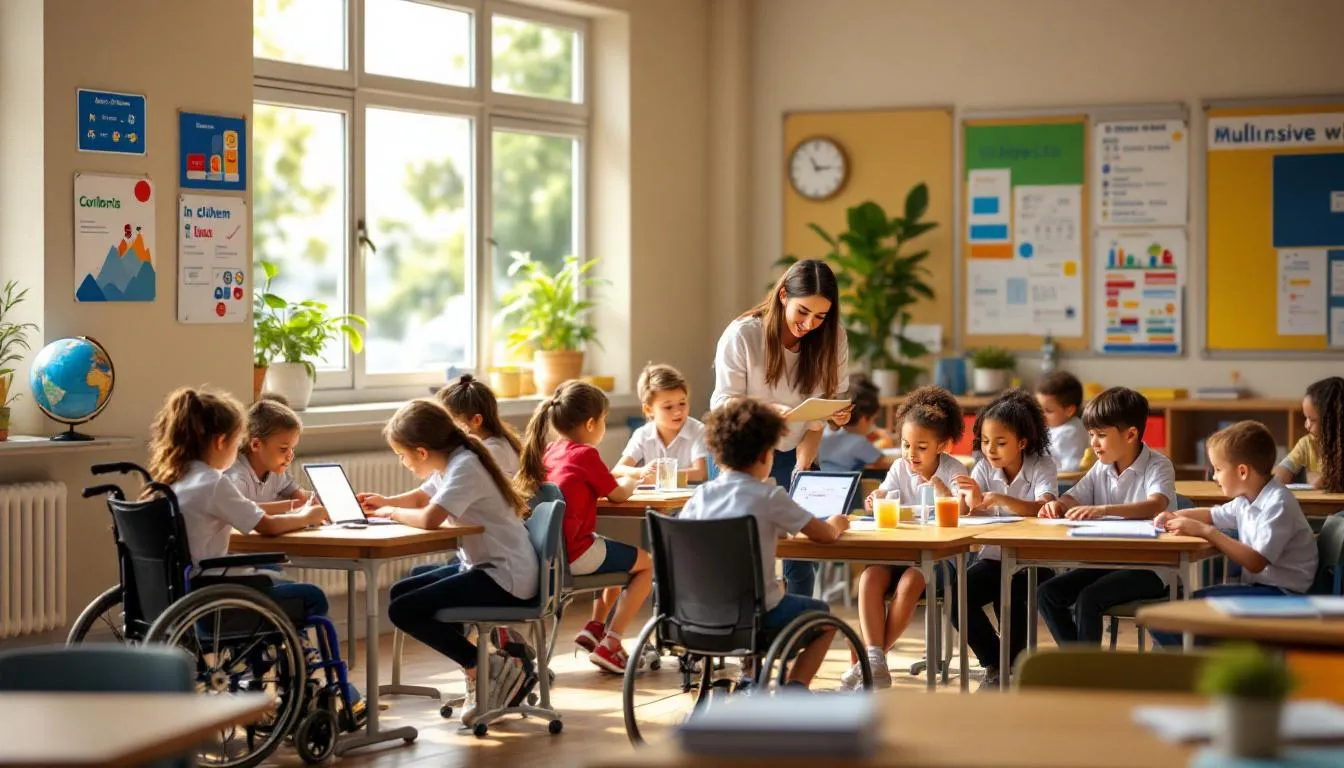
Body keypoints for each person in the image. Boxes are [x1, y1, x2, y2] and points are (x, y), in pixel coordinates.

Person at [147, 388, 364, 720]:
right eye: (237, 443)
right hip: (215, 599)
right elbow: (267, 527)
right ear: (221, 442)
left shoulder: (170, 478)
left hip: (179, 596)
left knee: (271, 582)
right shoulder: (213, 483)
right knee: (309, 597)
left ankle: (265, 684)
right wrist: (308, 516)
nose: (238, 451)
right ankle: (311, 689)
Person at [359, 399, 538, 726]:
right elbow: (421, 498)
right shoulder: (455, 461)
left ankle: (484, 667)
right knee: (401, 592)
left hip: (505, 577)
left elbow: (429, 517)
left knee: (403, 610)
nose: (403, 463)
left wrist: (390, 513)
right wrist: (383, 502)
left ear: (421, 452)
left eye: (402, 456)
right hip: (488, 568)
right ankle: (482, 671)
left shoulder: (465, 466)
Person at [679, 397, 849, 689]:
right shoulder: (769, 497)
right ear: (765, 456)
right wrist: (838, 522)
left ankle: (753, 677)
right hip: (755, 616)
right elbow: (823, 534)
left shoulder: (700, 497)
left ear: (718, 455)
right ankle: (795, 689)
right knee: (823, 618)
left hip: (696, 615)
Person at [711, 259, 851, 597]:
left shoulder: (832, 338)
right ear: (783, 295)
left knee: (803, 560)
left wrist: (809, 457)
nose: (809, 324)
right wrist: (768, 411)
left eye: (820, 317)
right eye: (803, 312)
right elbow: (723, 405)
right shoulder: (744, 334)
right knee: (735, 548)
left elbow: (821, 409)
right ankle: (736, 622)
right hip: (745, 452)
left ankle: (796, 631)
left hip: (798, 449)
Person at [515, 380, 653, 674]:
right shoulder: (585, 455)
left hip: (547, 554)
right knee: (646, 564)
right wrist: (632, 480)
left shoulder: (549, 451)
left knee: (617, 553)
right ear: (591, 423)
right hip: (575, 554)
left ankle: (594, 627)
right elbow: (618, 494)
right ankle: (612, 643)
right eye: (604, 421)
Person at [1149, 421, 1318, 647]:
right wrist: (1173, 514)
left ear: (1242, 471)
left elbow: (1256, 561)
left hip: (1284, 596)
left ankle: (1204, 668)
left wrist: (1206, 532)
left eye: (1218, 469)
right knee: (1174, 612)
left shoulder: (1278, 504)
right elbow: (1212, 514)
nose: (1214, 477)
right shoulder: (1246, 499)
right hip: (1262, 590)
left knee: (1173, 618)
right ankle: (1204, 666)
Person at [841, 386, 965, 689]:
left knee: (910, 582)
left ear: (942, 446)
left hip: (938, 560)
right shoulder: (899, 466)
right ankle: (875, 660)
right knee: (869, 578)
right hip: (898, 553)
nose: (912, 454)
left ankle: (871, 661)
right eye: (907, 445)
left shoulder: (953, 469)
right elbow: (886, 492)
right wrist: (877, 498)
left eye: (921, 447)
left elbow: (962, 513)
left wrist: (942, 491)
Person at [1035, 387, 1177, 645]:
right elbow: (1073, 497)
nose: (1093, 443)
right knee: (1047, 593)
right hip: (1109, 560)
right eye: (1091, 434)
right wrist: (1057, 505)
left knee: (1089, 597)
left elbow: (1155, 505)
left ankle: (1087, 673)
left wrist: (1104, 510)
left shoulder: (1158, 464)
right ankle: (1080, 667)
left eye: (1101, 435)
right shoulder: (1101, 467)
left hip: (1151, 567)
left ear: (1131, 434)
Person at [950, 390, 1057, 690]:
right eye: (984, 442)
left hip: (1033, 562)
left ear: (1022, 442)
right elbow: (968, 513)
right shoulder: (983, 467)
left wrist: (999, 498)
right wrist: (968, 499)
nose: (990, 449)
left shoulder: (1042, 465)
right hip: (993, 558)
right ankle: (996, 662)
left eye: (1000, 442)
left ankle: (1016, 666)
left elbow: (1042, 508)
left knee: (1013, 596)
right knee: (958, 597)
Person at [613, 363, 708, 483]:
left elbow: (701, 473)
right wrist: (642, 472)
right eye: (668, 407)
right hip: (653, 500)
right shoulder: (642, 434)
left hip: (690, 500)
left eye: (682, 403)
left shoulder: (698, 431)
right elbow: (617, 471)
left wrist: (663, 476)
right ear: (648, 410)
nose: (678, 412)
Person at [225, 397, 314, 513]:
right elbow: (242, 511)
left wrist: (309, 501)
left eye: (292, 448)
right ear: (256, 445)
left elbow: (296, 493)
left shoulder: (275, 471)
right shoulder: (236, 477)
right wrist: (292, 505)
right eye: (283, 449)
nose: (290, 456)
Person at [436, 374, 523, 477]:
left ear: (476, 420)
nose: (445, 427)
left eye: (451, 421)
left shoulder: (491, 452)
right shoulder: (494, 441)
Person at [1273, 376, 1343, 492]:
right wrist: (1279, 475)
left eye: (1313, 420)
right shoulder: (1307, 443)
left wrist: (1327, 480)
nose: (1307, 425)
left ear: (1334, 420)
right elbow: (1284, 469)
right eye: (1306, 418)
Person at [819, 381, 883, 473]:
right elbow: (881, 462)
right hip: (847, 485)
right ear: (863, 418)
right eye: (873, 420)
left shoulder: (824, 433)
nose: (873, 424)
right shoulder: (858, 441)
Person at [1035, 370, 1089, 472]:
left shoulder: (1069, 433)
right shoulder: (1056, 425)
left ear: (1069, 410)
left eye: (1049, 411)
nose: (1041, 415)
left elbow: (1072, 467)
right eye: (1038, 408)